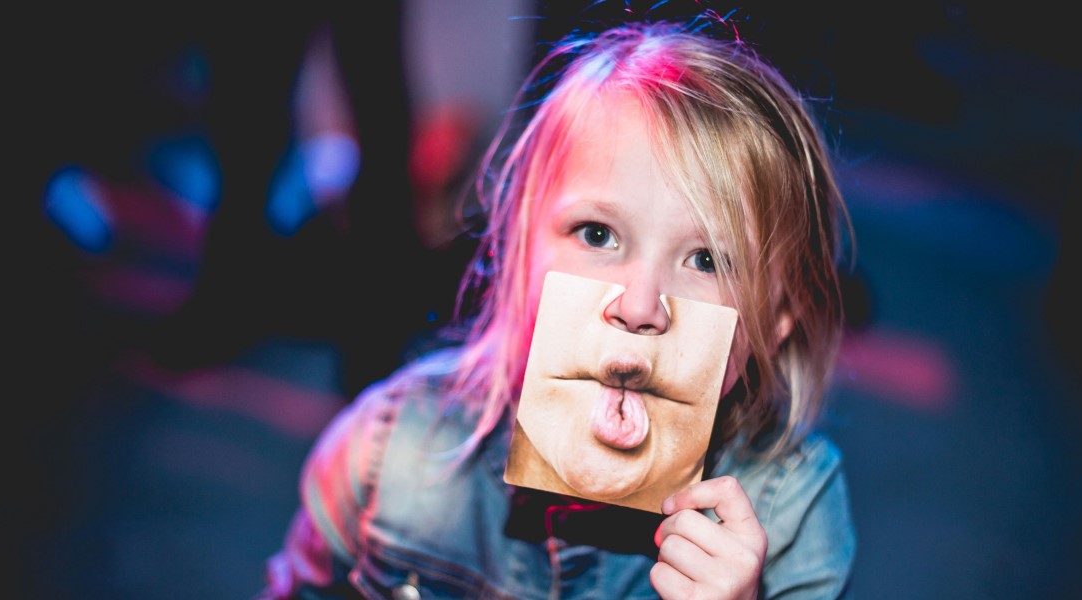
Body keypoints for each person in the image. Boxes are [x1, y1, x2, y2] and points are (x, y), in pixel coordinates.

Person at [260, 12, 857, 600]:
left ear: (778, 320)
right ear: (516, 248)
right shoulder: (388, 453)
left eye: (707, 261)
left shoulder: (790, 511)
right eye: (597, 234)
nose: (640, 305)